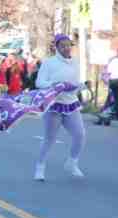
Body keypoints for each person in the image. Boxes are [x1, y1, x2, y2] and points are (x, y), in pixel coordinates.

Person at [34, 34, 85, 181]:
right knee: (49, 138)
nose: (66, 48)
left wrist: (77, 87)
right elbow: (39, 82)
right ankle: (40, 167)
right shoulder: (49, 63)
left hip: (71, 103)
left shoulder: (75, 62)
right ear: (56, 47)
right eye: (62, 45)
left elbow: (75, 82)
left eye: (68, 45)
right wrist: (55, 85)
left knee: (80, 134)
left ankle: (72, 162)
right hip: (53, 104)